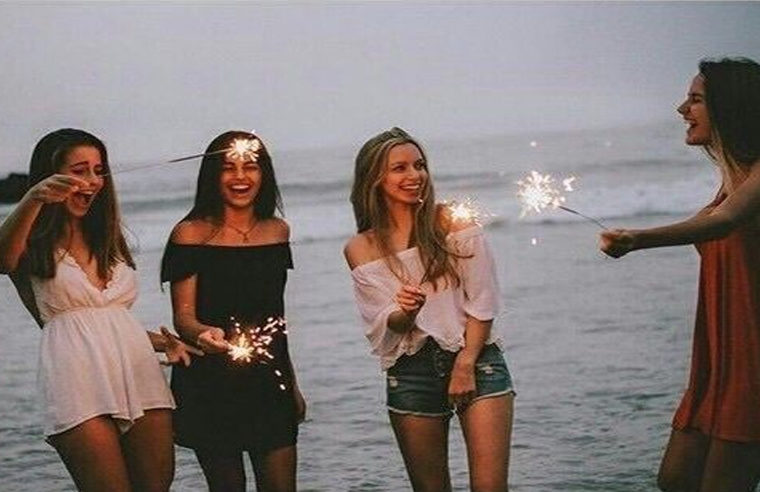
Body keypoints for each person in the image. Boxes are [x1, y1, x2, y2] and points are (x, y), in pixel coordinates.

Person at [0, 128, 199, 492]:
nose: (92, 181)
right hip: (74, 378)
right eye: (79, 171)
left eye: (98, 170)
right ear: (50, 177)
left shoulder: (107, 238)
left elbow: (106, 321)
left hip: (138, 371)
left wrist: (163, 343)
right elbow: (2, 260)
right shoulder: (31, 243)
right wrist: (33, 198)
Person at [600, 57, 760, 492]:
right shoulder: (730, 183)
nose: (681, 109)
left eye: (695, 99)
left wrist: (638, 239)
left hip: (751, 362)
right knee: (675, 480)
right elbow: (708, 220)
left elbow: (724, 222)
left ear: (731, 107)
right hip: (716, 362)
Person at [344, 127, 515, 491]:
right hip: (412, 372)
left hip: (477, 359)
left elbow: (483, 300)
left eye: (419, 165)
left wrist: (465, 364)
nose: (415, 175)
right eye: (400, 168)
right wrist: (406, 312)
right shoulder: (360, 248)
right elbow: (384, 326)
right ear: (374, 178)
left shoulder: (454, 221)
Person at [160, 130, 306, 492]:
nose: (240, 177)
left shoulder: (278, 231)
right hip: (210, 381)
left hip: (269, 379)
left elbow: (276, 319)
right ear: (212, 175)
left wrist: (292, 385)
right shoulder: (190, 233)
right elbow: (183, 317)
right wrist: (201, 334)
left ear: (264, 173)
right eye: (228, 168)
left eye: (250, 166)